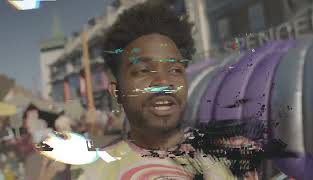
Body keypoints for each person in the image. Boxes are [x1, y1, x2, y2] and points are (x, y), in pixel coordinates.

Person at [41, 1, 259, 179]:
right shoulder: (89, 173)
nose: (164, 81)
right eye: (143, 70)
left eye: (174, 69)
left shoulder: (233, 158)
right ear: (117, 93)